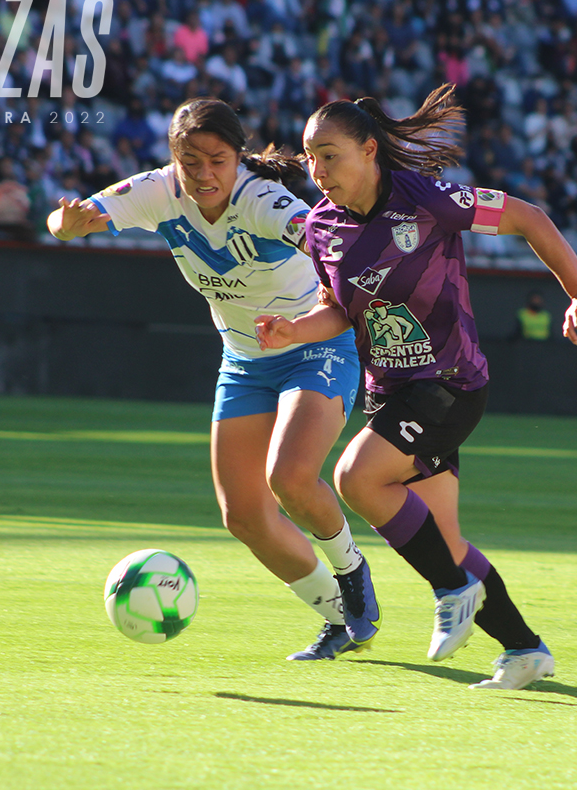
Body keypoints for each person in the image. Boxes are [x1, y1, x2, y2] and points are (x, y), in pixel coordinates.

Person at [255, 84, 577, 690]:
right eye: (310, 157)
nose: (317, 170)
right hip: (390, 391)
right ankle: (524, 649)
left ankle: (451, 590)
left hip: (449, 382)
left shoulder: (427, 199)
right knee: (445, 539)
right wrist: (293, 330)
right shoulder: (320, 226)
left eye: (330, 154)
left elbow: (528, 218)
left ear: (369, 150)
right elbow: (338, 308)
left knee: (355, 478)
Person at [46, 97, 380, 662]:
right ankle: (340, 622)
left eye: (218, 160)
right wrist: (66, 226)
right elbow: (72, 220)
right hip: (245, 359)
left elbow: (324, 241)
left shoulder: (261, 199)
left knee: (291, 480)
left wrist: (322, 304)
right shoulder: (157, 191)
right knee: (244, 515)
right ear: (174, 157)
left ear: (238, 157)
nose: (204, 174)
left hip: (315, 345)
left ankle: (352, 574)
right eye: (191, 160)